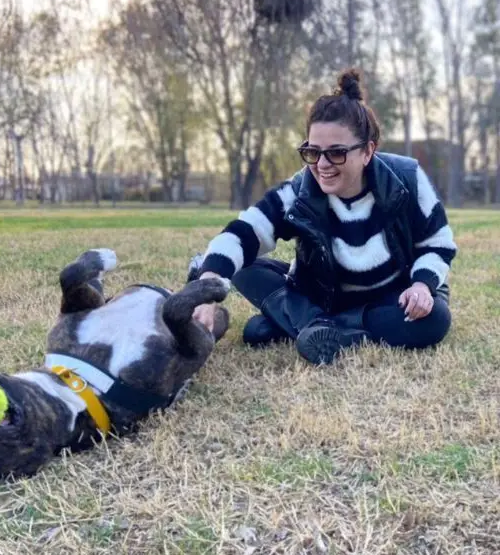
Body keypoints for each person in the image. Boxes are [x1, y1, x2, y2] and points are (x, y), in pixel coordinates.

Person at [192, 68, 456, 365]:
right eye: (313, 152)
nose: (322, 165)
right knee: (243, 267)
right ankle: (316, 324)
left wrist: (421, 286)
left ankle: (303, 325)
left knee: (434, 319)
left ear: (368, 151)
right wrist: (207, 286)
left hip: (391, 297)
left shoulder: (407, 178)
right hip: (323, 297)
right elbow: (245, 231)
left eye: (337, 152)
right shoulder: (301, 189)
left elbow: (438, 243)